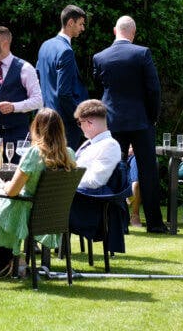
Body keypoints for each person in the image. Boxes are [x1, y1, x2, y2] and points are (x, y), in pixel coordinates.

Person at [0, 108, 77, 281]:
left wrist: (4, 187)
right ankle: (15, 260)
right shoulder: (69, 154)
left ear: (36, 128)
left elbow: (12, 192)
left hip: (23, 213)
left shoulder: (35, 153)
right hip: (51, 215)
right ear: (61, 129)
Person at [93, 15, 166, 233]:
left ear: (115, 31)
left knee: (115, 168)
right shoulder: (142, 53)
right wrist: (152, 116)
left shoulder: (100, 57)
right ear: (132, 33)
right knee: (147, 171)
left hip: (113, 120)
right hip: (140, 120)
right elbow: (153, 89)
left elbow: (101, 88)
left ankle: (117, 222)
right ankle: (154, 224)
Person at [0, 26, 42, 163]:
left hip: (18, 137)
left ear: (4, 43)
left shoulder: (25, 68)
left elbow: (38, 100)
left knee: (18, 180)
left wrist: (14, 107)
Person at [69, 99, 127, 254]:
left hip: (90, 205)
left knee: (43, 201)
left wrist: (66, 182)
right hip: (78, 197)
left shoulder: (109, 145)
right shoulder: (89, 144)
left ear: (89, 122)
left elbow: (95, 182)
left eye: (80, 123)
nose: (80, 127)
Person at [36, 5, 89, 151]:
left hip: (43, 119)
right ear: (70, 22)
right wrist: (79, 117)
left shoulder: (45, 46)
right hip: (63, 124)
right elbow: (64, 93)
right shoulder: (66, 51)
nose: (82, 28)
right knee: (62, 170)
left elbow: (38, 82)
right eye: (81, 24)